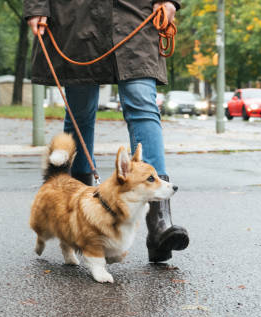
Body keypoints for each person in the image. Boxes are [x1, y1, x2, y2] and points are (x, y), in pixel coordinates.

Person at [23, 0, 189, 263]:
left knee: (142, 103)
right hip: (76, 17)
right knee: (80, 112)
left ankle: (159, 222)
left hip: (135, 13)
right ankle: (78, 219)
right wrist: (36, 7)